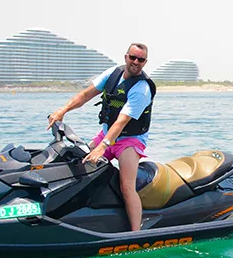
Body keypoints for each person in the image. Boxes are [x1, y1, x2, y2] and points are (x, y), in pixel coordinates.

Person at [47, 43, 156, 231]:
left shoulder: (142, 88)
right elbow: (85, 95)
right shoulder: (112, 74)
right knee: (79, 166)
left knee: (126, 185)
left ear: (145, 62)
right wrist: (62, 111)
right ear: (126, 57)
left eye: (141, 60)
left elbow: (122, 121)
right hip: (106, 134)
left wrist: (103, 146)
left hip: (129, 140)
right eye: (133, 57)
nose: (136, 62)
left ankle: (135, 233)